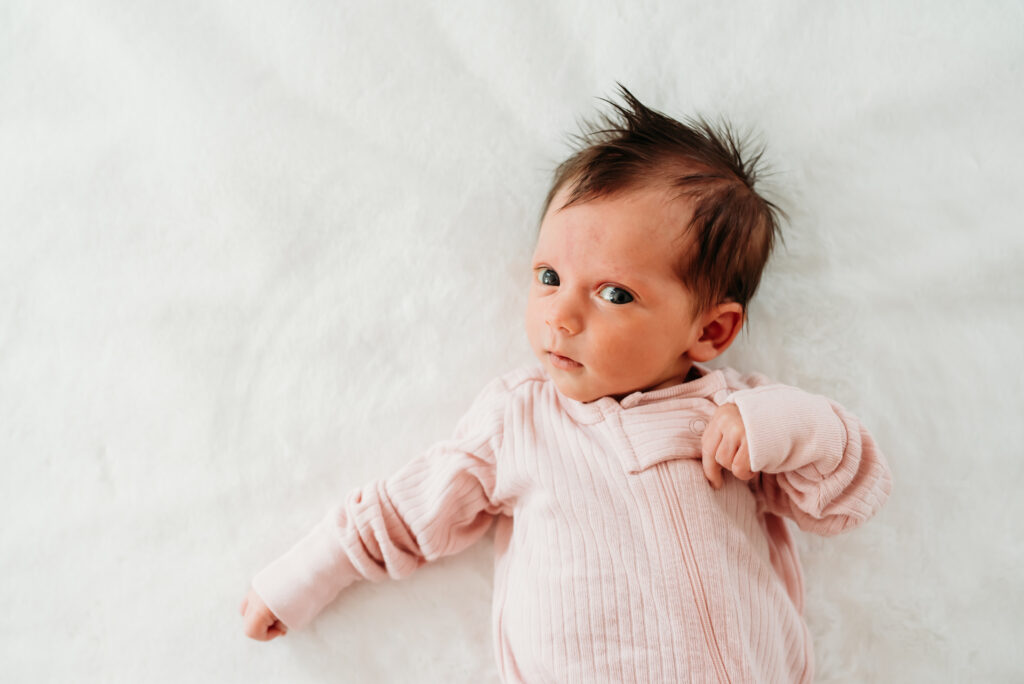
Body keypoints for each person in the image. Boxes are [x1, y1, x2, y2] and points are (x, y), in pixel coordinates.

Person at [239, 85, 892, 683]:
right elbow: (402, 513)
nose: (562, 315)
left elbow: (848, 494)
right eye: (549, 277)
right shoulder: (518, 422)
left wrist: (789, 424)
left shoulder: (736, 415)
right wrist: (300, 578)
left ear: (711, 333)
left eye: (614, 293)